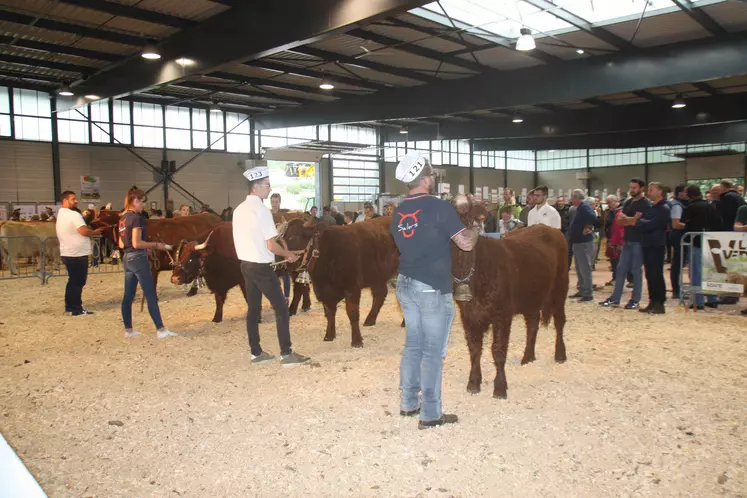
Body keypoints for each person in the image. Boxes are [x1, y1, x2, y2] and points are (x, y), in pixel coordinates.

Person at [389, 152, 478, 430]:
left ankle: (408, 403)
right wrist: (475, 227)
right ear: (426, 179)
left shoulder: (399, 210)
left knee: (413, 345)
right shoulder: (439, 207)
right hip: (431, 287)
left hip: (405, 282)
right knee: (432, 351)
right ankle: (430, 413)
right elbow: (465, 244)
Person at [233, 166, 310, 367]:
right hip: (261, 267)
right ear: (256, 187)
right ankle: (286, 354)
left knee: (253, 309)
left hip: (246, 265)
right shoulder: (262, 211)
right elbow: (270, 244)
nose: (270, 189)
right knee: (282, 308)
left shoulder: (239, 210)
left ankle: (256, 353)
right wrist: (289, 255)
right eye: (267, 185)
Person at [118, 188, 178, 339]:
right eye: (142, 202)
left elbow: (120, 243)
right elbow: (137, 243)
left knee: (128, 295)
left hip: (127, 258)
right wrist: (156, 245)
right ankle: (161, 330)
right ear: (135, 201)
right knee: (150, 294)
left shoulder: (122, 218)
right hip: (138, 258)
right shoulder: (137, 218)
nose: (143, 206)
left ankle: (129, 330)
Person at [600, 178, 651, 310]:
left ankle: (635, 299)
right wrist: (633, 219)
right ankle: (615, 298)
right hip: (627, 240)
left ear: (641, 188)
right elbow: (620, 221)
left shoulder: (646, 204)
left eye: (634, 187)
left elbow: (641, 223)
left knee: (636, 271)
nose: (632, 190)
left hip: (639, 241)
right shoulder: (628, 202)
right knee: (620, 270)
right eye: (631, 187)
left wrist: (629, 220)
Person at [56, 191, 104, 316]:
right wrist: (95, 232)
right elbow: (83, 231)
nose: (76, 201)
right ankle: (75, 308)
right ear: (65, 201)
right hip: (76, 253)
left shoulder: (61, 213)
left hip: (67, 252)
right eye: (73, 199)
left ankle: (70, 307)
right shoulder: (73, 215)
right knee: (78, 282)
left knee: (73, 281)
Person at [679, 185, 722, 310]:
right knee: (709, 270)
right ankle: (712, 298)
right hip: (710, 242)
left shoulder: (690, 207)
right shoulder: (711, 206)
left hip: (695, 241)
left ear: (688, 194)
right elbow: (719, 222)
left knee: (696, 271)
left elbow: (684, 223)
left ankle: (698, 301)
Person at [633, 182, 670, 314]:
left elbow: (651, 224)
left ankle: (659, 303)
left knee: (656, 274)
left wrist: (638, 221)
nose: (649, 192)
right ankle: (652, 301)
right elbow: (644, 222)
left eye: (652, 189)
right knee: (650, 274)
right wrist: (640, 222)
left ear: (660, 191)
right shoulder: (652, 207)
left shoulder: (663, 208)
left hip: (656, 244)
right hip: (648, 243)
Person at [568, 190, 596, 302]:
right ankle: (582, 290)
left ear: (577, 197)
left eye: (572, 197)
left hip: (583, 242)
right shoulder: (580, 207)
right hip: (577, 241)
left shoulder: (585, 207)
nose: (571, 199)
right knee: (579, 268)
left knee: (585, 268)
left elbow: (594, 219)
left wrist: (589, 228)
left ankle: (588, 293)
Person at [669, 184, 689, 299]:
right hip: (678, 236)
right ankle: (676, 290)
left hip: (681, 236)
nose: (687, 194)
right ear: (680, 193)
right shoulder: (677, 205)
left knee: (679, 263)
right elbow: (675, 224)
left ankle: (677, 289)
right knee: (677, 264)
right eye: (685, 192)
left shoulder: (682, 204)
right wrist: (691, 225)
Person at [604, 195, 624, 287]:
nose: (608, 205)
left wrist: (619, 241)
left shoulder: (620, 211)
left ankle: (619, 280)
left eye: (609, 203)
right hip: (611, 239)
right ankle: (615, 278)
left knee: (619, 261)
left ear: (615, 201)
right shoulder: (611, 211)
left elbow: (620, 229)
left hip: (618, 240)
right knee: (613, 260)